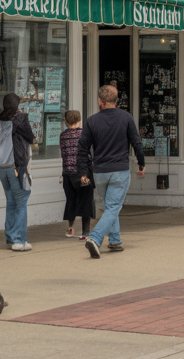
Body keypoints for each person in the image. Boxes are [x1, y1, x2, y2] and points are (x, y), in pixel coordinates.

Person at [78, 85, 145, 258]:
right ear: (116, 100)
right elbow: (136, 142)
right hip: (119, 170)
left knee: (109, 207)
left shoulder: (92, 121)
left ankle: (115, 240)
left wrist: (84, 172)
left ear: (100, 101)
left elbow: (82, 148)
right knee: (113, 207)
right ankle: (95, 238)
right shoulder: (126, 117)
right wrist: (141, 163)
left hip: (99, 171)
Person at [0, 92, 35, 251]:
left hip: (2, 168)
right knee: (22, 201)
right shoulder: (20, 118)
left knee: (11, 202)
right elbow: (30, 137)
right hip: (16, 166)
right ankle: (19, 240)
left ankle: (11, 236)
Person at [59, 110, 94, 240]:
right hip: (82, 172)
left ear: (66, 122)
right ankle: (85, 232)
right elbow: (89, 153)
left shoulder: (63, 135)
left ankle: (71, 228)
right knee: (86, 201)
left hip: (67, 173)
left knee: (71, 200)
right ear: (79, 121)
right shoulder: (84, 134)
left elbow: (64, 154)